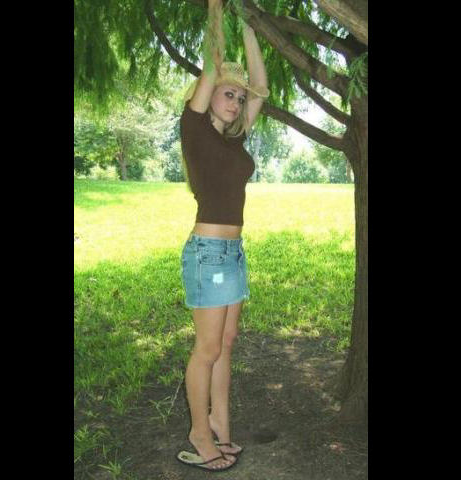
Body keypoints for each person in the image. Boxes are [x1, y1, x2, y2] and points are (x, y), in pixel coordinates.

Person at [175, 0, 269, 473]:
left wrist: (250, 25)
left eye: (237, 97)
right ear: (207, 93)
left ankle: (220, 427)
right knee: (207, 349)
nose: (235, 101)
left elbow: (262, 89)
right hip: (209, 253)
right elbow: (212, 64)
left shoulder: (234, 138)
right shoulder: (193, 128)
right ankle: (198, 432)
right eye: (227, 93)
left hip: (232, 253)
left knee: (226, 343)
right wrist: (217, 10)